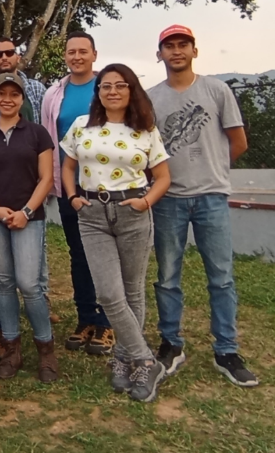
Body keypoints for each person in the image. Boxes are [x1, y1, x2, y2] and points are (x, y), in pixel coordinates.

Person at [148, 25, 259, 387]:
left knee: (221, 277)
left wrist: (213, 172)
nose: (176, 51)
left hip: (212, 197)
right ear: (160, 54)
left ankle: (226, 351)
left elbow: (238, 142)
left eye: (183, 45)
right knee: (167, 277)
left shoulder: (216, 90)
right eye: (169, 46)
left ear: (194, 51)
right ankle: (171, 344)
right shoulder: (150, 99)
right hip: (169, 199)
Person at [61, 64, 172, 403]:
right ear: (98, 93)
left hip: (132, 213)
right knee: (109, 294)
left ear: (131, 90)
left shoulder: (145, 130)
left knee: (133, 291)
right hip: (92, 216)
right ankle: (147, 360)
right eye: (105, 86)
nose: (112, 91)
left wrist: (145, 202)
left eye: (120, 85)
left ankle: (125, 359)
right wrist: (73, 198)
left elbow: (163, 177)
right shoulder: (82, 126)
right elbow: (68, 166)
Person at [0, 73, 58, 383]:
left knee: (30, 285)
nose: (7, 99)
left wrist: (26, 212)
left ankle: (46, 349)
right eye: (1, 93)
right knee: (3, 283)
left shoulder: (37, 133)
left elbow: (46, 178)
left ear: (22, 99)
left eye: (14, 94)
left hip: (28, 218)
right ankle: (11, 349)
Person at [40, 32, 114, 355]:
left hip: (108, 188)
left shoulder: (108, 88)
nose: (77, 57)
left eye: (83, 51)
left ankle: (108, 322)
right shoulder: (54, 94)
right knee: (79, 254)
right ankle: (86, 318)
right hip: (70, 186)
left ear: (94, 55)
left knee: (108, 256)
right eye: (71, 52)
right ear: (65, 56)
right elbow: (48, 139)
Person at [0, 36, 46, 122]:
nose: (4, 57)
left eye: (9, 53)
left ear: (18, 58)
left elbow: (46, 123)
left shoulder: (37, 88)